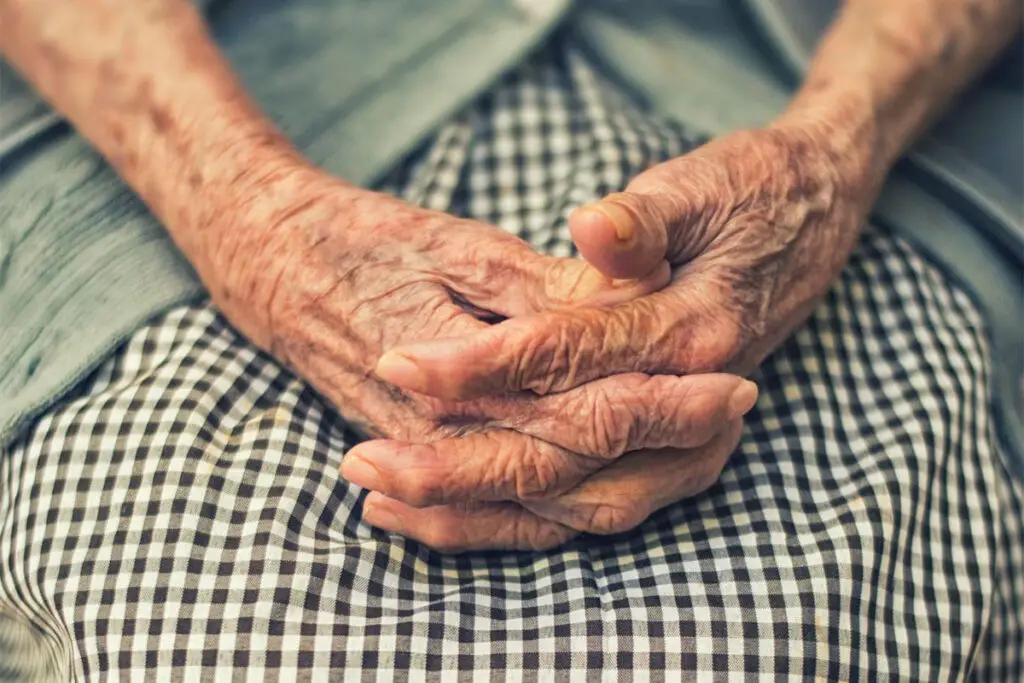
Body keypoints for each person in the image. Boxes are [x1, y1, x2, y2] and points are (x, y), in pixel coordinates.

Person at [0, 0, 1020, 679]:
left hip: (813, 82)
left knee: (799, 633)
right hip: (199, 108)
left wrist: (834, 151)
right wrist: (248, 214)